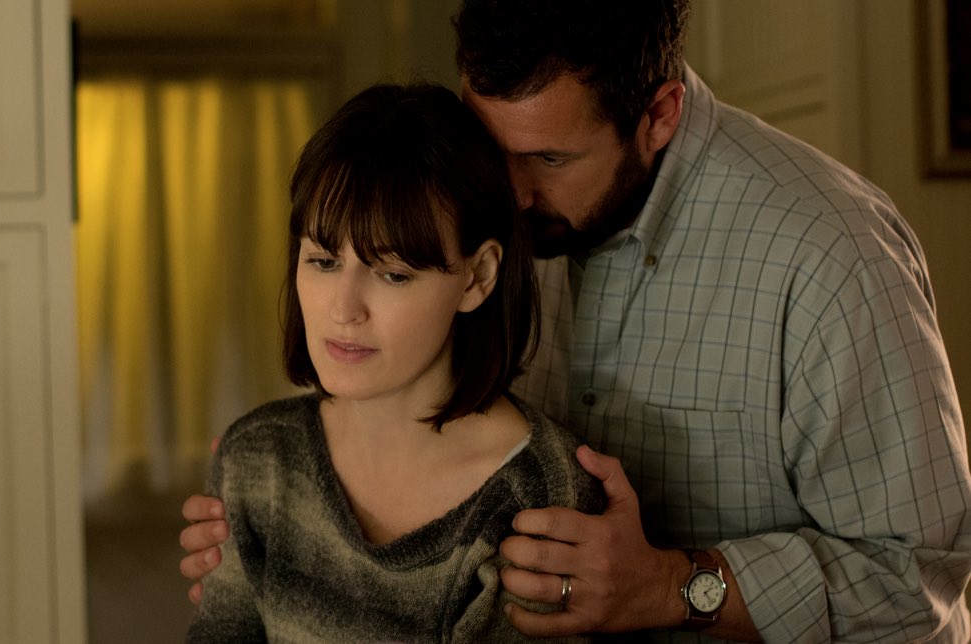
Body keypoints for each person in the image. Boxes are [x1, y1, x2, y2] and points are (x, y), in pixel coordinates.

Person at [182, 1, 971, 641]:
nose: (508, 193)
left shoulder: (830, 255)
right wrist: (289, 512)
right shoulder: (492, 214)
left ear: (660, 114)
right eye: (490, 144)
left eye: (548, 160)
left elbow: (919, 584)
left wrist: (672, 586)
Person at [184, 81, 605, 643]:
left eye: (393, 274)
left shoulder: (539, 498)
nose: (344, 310)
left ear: (477, 277)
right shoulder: (256, 456)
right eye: (323, 261)